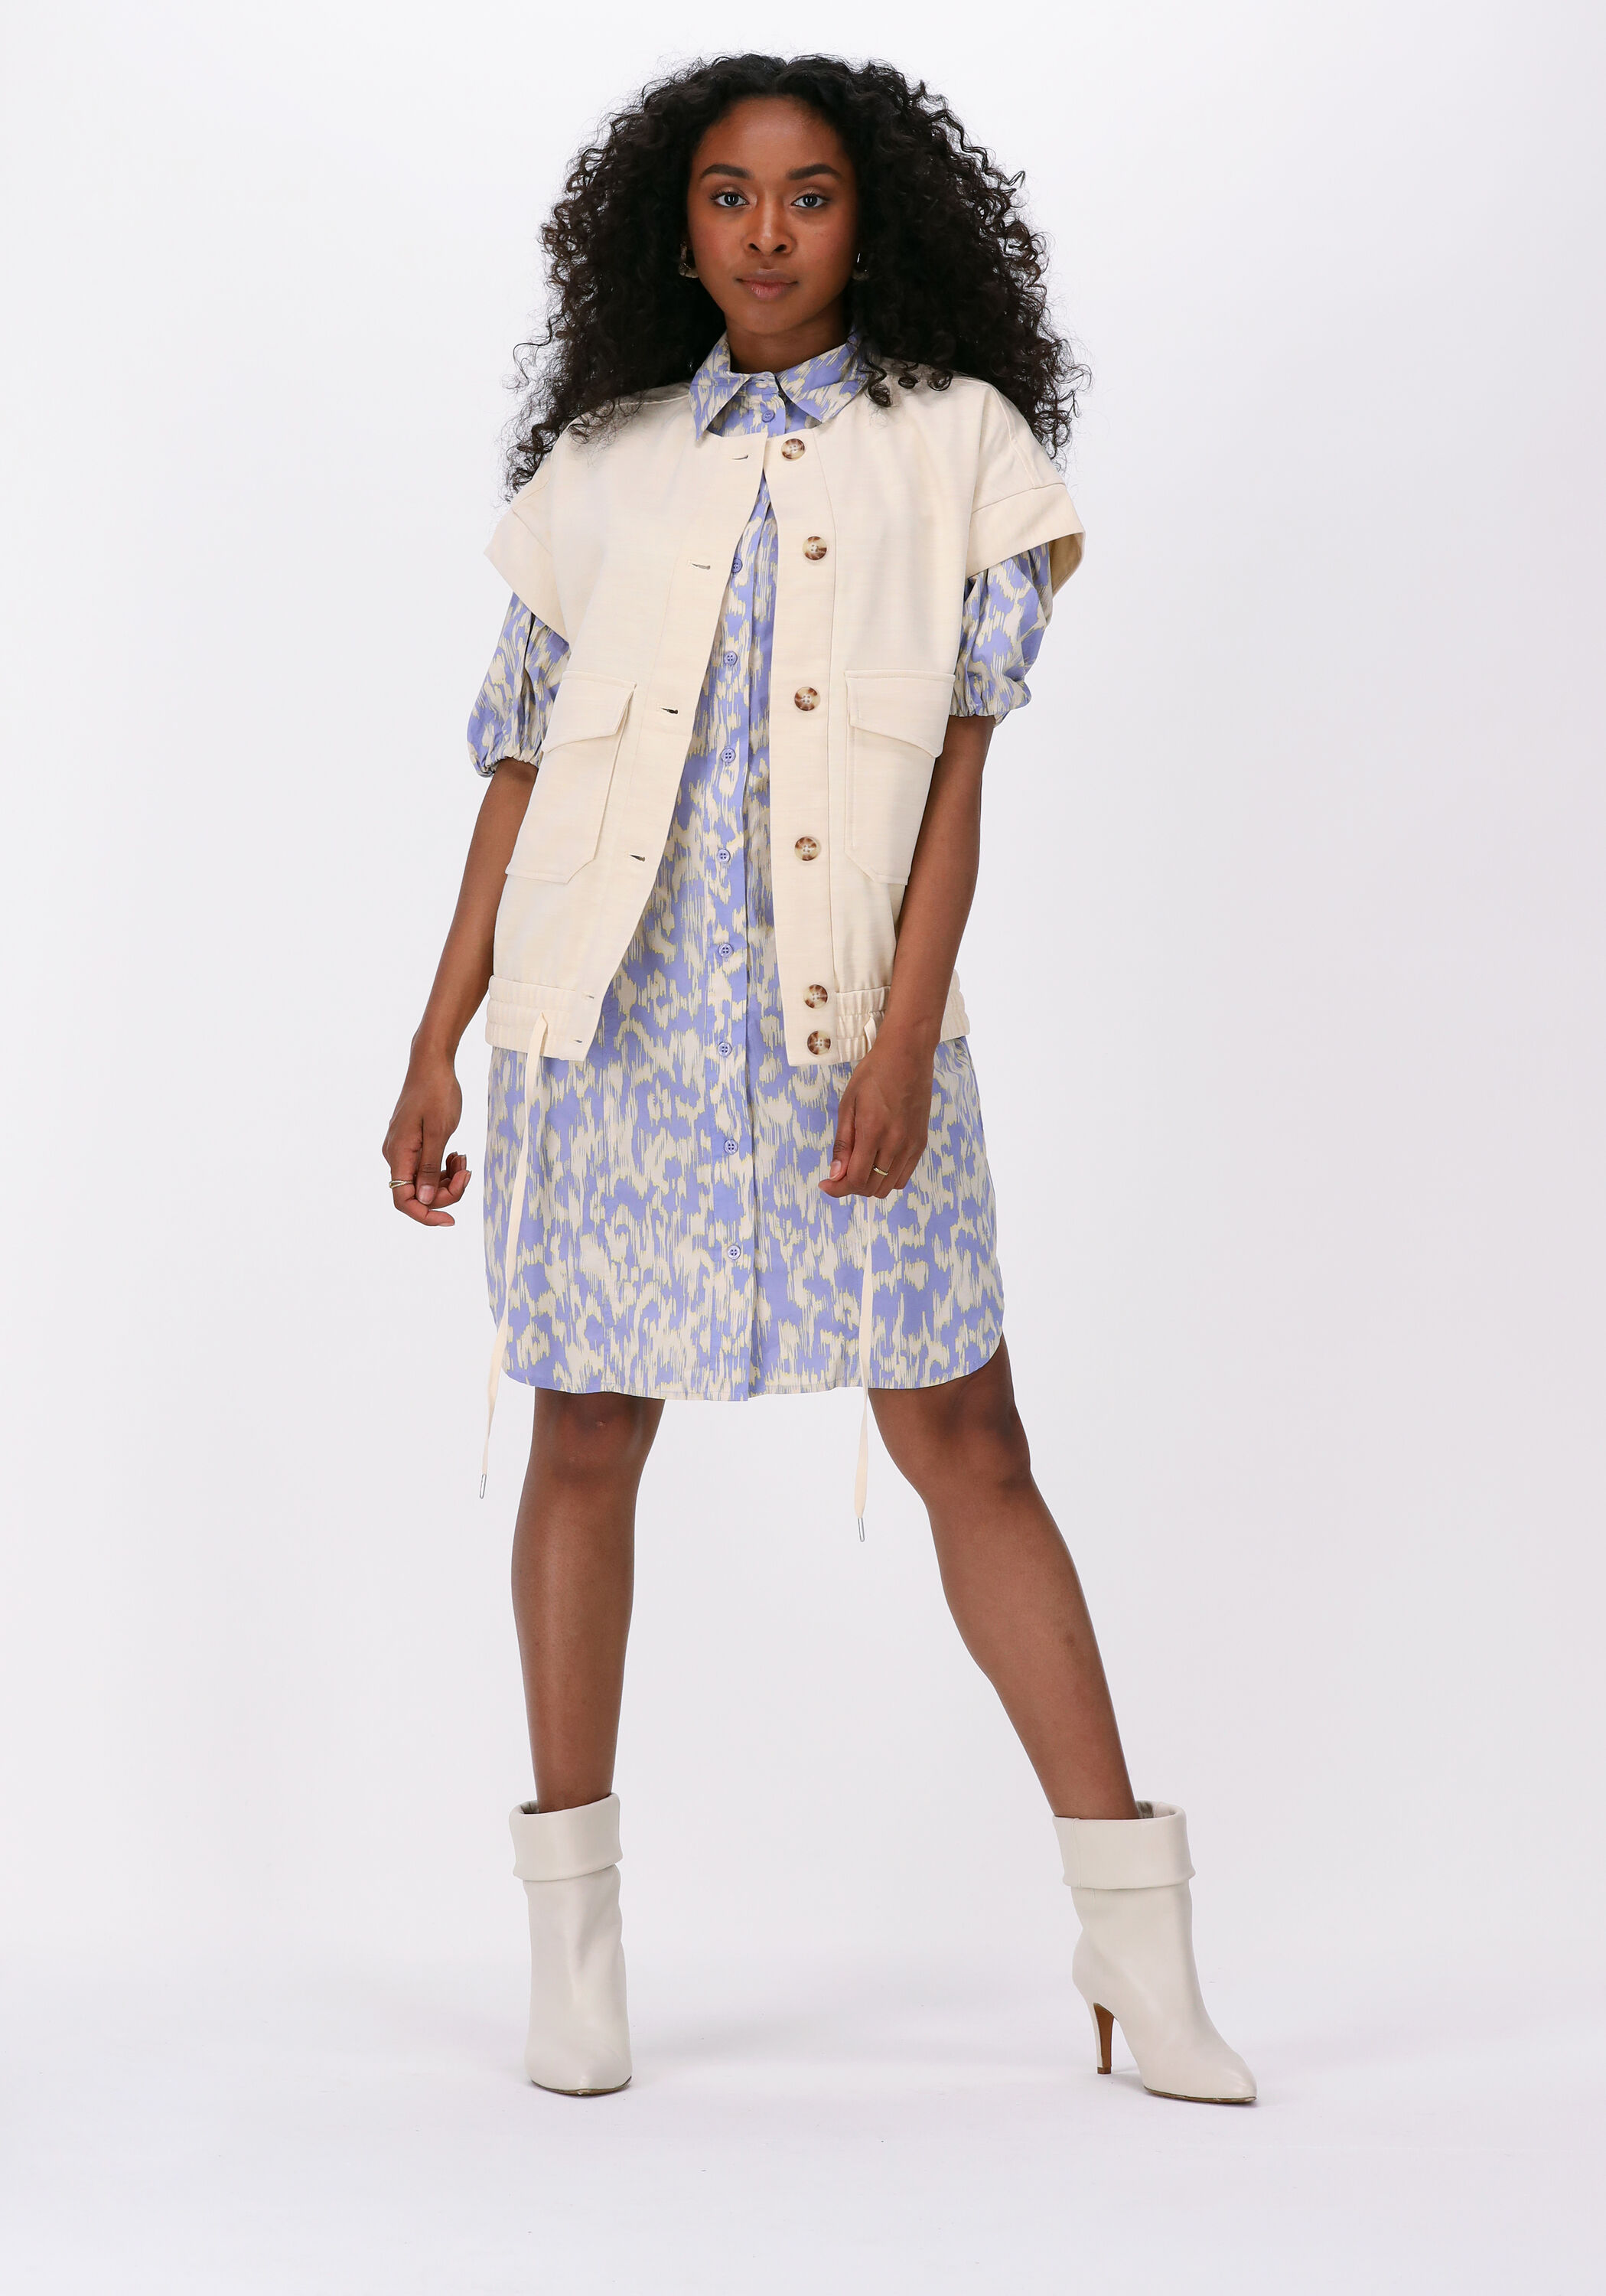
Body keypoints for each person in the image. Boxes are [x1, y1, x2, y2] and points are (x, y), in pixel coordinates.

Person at [382, 52, 1255, 2106]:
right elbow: (516, 774)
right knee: (584, 1434)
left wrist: (902, 1037)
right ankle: (576, 1959)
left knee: (969, 1436)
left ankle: (1137, 1946)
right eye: (726, 193)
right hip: (602, 1030)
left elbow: (958, 773)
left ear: (875, 223)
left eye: (808, 194)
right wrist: (433, 1040)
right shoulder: (601, 465)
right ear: (672, 226)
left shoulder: (959, 449)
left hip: (843, 1023)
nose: (766, 230)